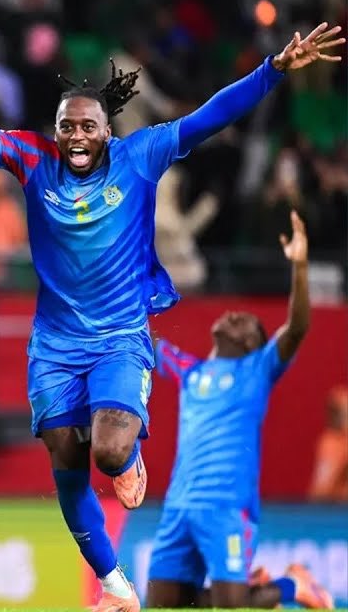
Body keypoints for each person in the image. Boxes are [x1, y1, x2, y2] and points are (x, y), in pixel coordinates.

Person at [0, 22, 344, 612]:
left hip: (119, 338)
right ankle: (114, 585)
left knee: (108, 453)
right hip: (55, 346)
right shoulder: (32, 158)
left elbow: (213, 116)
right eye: (67, 126)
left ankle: (129, 456)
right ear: (55, 132)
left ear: (108, 132)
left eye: (88, 126)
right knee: (66, 460)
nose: (77, 135)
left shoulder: (140, 156)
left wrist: (272, 69)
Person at [148, 212, 333, 610]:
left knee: (232, 607)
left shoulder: (258, 369)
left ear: (254, 344)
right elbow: (149, 343)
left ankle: (291, 588)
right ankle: (278, 585)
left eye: (245, 322)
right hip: (179, 506)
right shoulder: (191, 372)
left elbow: (297, 328)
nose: (233, 316)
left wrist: (299, 267)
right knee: (163, 605)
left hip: (227, 508)